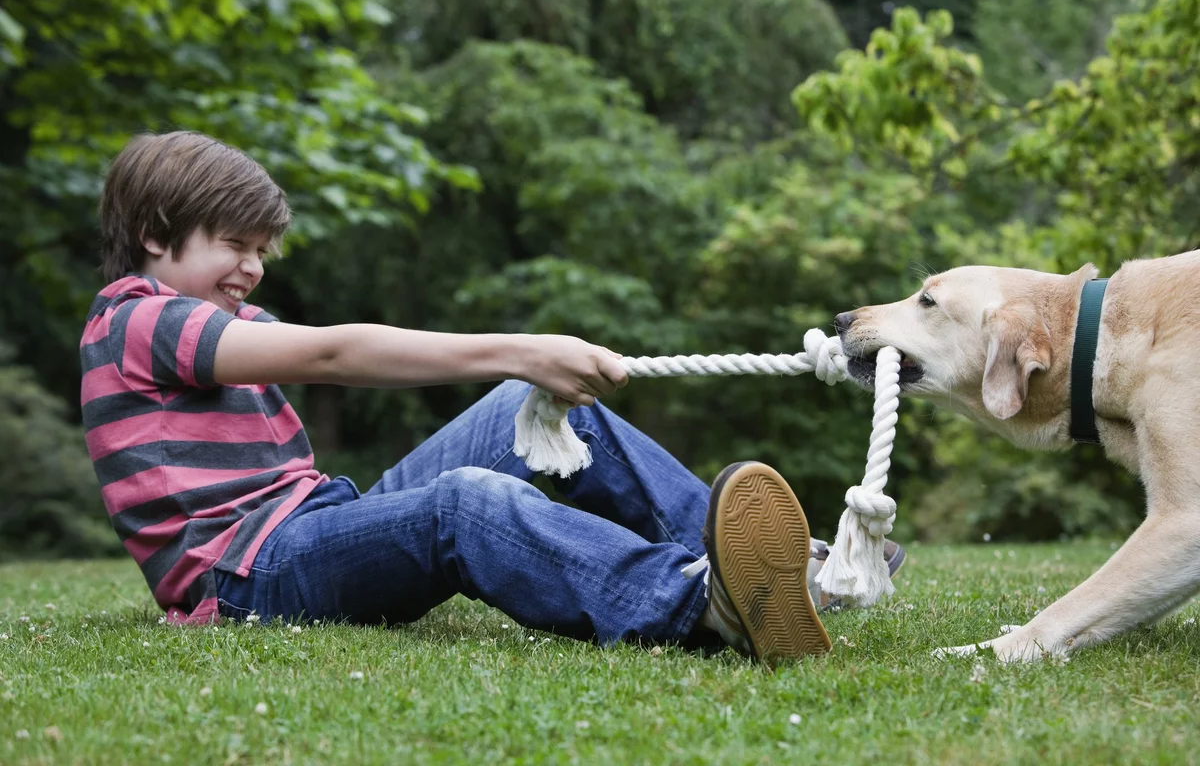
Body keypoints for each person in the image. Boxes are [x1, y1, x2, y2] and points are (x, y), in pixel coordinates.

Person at [80, 131, 905, 665]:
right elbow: (334, 350)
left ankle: (784, 572)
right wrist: (519, 346)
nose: (255, 268)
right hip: (247, 579)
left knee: (530, 409)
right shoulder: (138, 321)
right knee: (462, 505)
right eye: (235, 245)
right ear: (156, 235)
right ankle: (698, 603)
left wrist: (529, 371)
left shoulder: (216, 318)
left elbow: (332, 346)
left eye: (262, 250)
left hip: (309, 527)